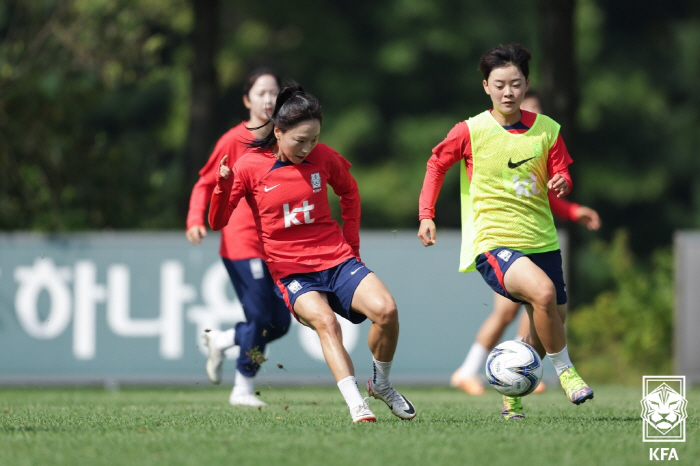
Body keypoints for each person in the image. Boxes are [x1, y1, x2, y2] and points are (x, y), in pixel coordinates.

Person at [208, 83, 417, 423]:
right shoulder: (248, 166)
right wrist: (222, 186)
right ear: (278, 132)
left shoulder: (324, 157)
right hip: (290, 271)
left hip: (336, 258)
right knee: (325, 322)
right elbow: (217, 221)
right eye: (299, 140)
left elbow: (350, 192)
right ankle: (356, 405)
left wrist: (352, 247)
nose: (308, 148)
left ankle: (381, 384)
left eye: (314, 139)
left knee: (387, 311)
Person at [417, 44, 594, 420]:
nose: (508, 92)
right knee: (542, 294)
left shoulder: (548, 130)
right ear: (486, 86)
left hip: (541, 240)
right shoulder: (470, 130)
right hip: (494, 242)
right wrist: (426, 214)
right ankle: (569, 374)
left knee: (548, 325)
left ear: (527, 84)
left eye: (515, 84)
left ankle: (510, 395)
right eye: (499, 84)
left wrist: (563, 182)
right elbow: (436, 166)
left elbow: (561, 174)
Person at [450, 90, 602, 396]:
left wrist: (573, 209)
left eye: (533, 110)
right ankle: (471, 371)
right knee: (522, 307)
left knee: (548, 316)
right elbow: (439, 163)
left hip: (537, 241)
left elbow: (547, 198)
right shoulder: (490, 138)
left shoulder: (541, 139)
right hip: (504, 240)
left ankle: (510, 379)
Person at [186, 68, 291, 407]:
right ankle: (242, 389)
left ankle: (224, 339)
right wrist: (195, 219)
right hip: (241, 241)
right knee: (261, 318)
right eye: (261, 92)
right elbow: (204, 181)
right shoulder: (234, 140)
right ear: (247, 99)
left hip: (273, 245)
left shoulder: (285, 140)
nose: (269, 99)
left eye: (274, 92)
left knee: (281, 322)